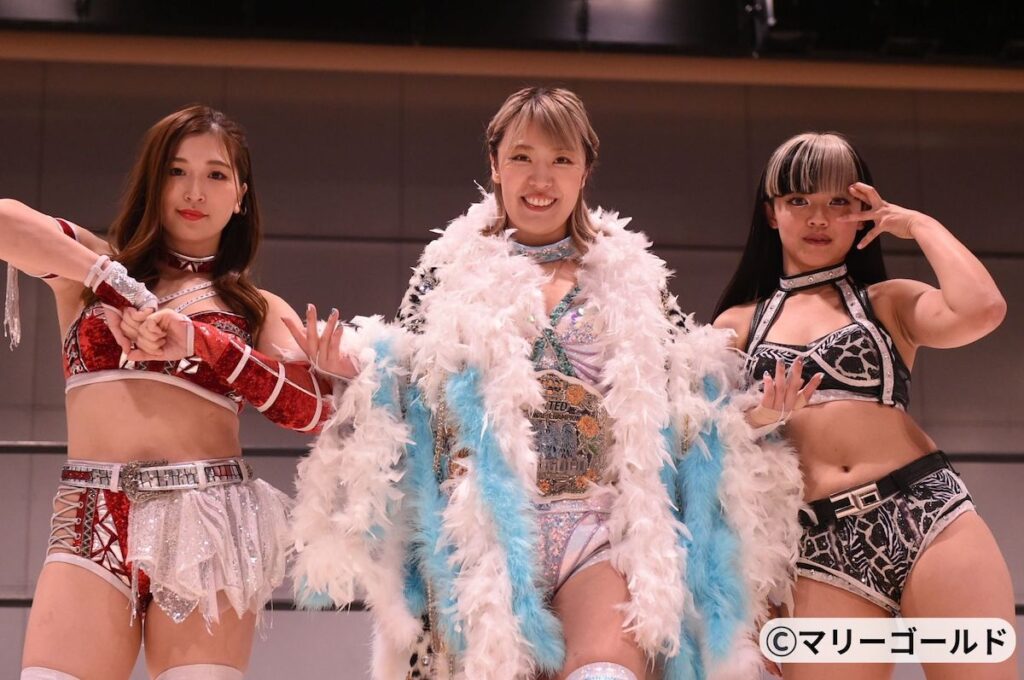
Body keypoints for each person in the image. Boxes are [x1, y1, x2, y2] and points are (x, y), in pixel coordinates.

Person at [291, 87, 815, 680]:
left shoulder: (633, 276)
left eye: (561, 160)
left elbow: (688, 402)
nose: (541, 179)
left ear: (585, 170)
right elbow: (405, 381)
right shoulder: (445, 270)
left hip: (599, 530)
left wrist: (756, 417)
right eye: (522, 157)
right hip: (482, 542)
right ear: (495, 165)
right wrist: (354, 371)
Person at [1, 104, 334, 680]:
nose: (194, 191)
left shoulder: (256, 308)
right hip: (91, 514)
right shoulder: (88, 270)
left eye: (216, 174)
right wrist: (117, 285)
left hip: (207, 522)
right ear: (153, 181)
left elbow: (313, 411)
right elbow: (6, 220)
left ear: (240, 196)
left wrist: (203, 342)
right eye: (177, 171)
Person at [714, 132, 1017, 680]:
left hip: (928, 516)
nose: (818, 218)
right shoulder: (736, 325)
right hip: (817, 547)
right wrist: (757, 419)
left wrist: (916, 224)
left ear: (862, 214)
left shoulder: (888, 302)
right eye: (798, 200)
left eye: (839, 202)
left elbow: (983, 310)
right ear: (771, 213)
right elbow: (700, 443)